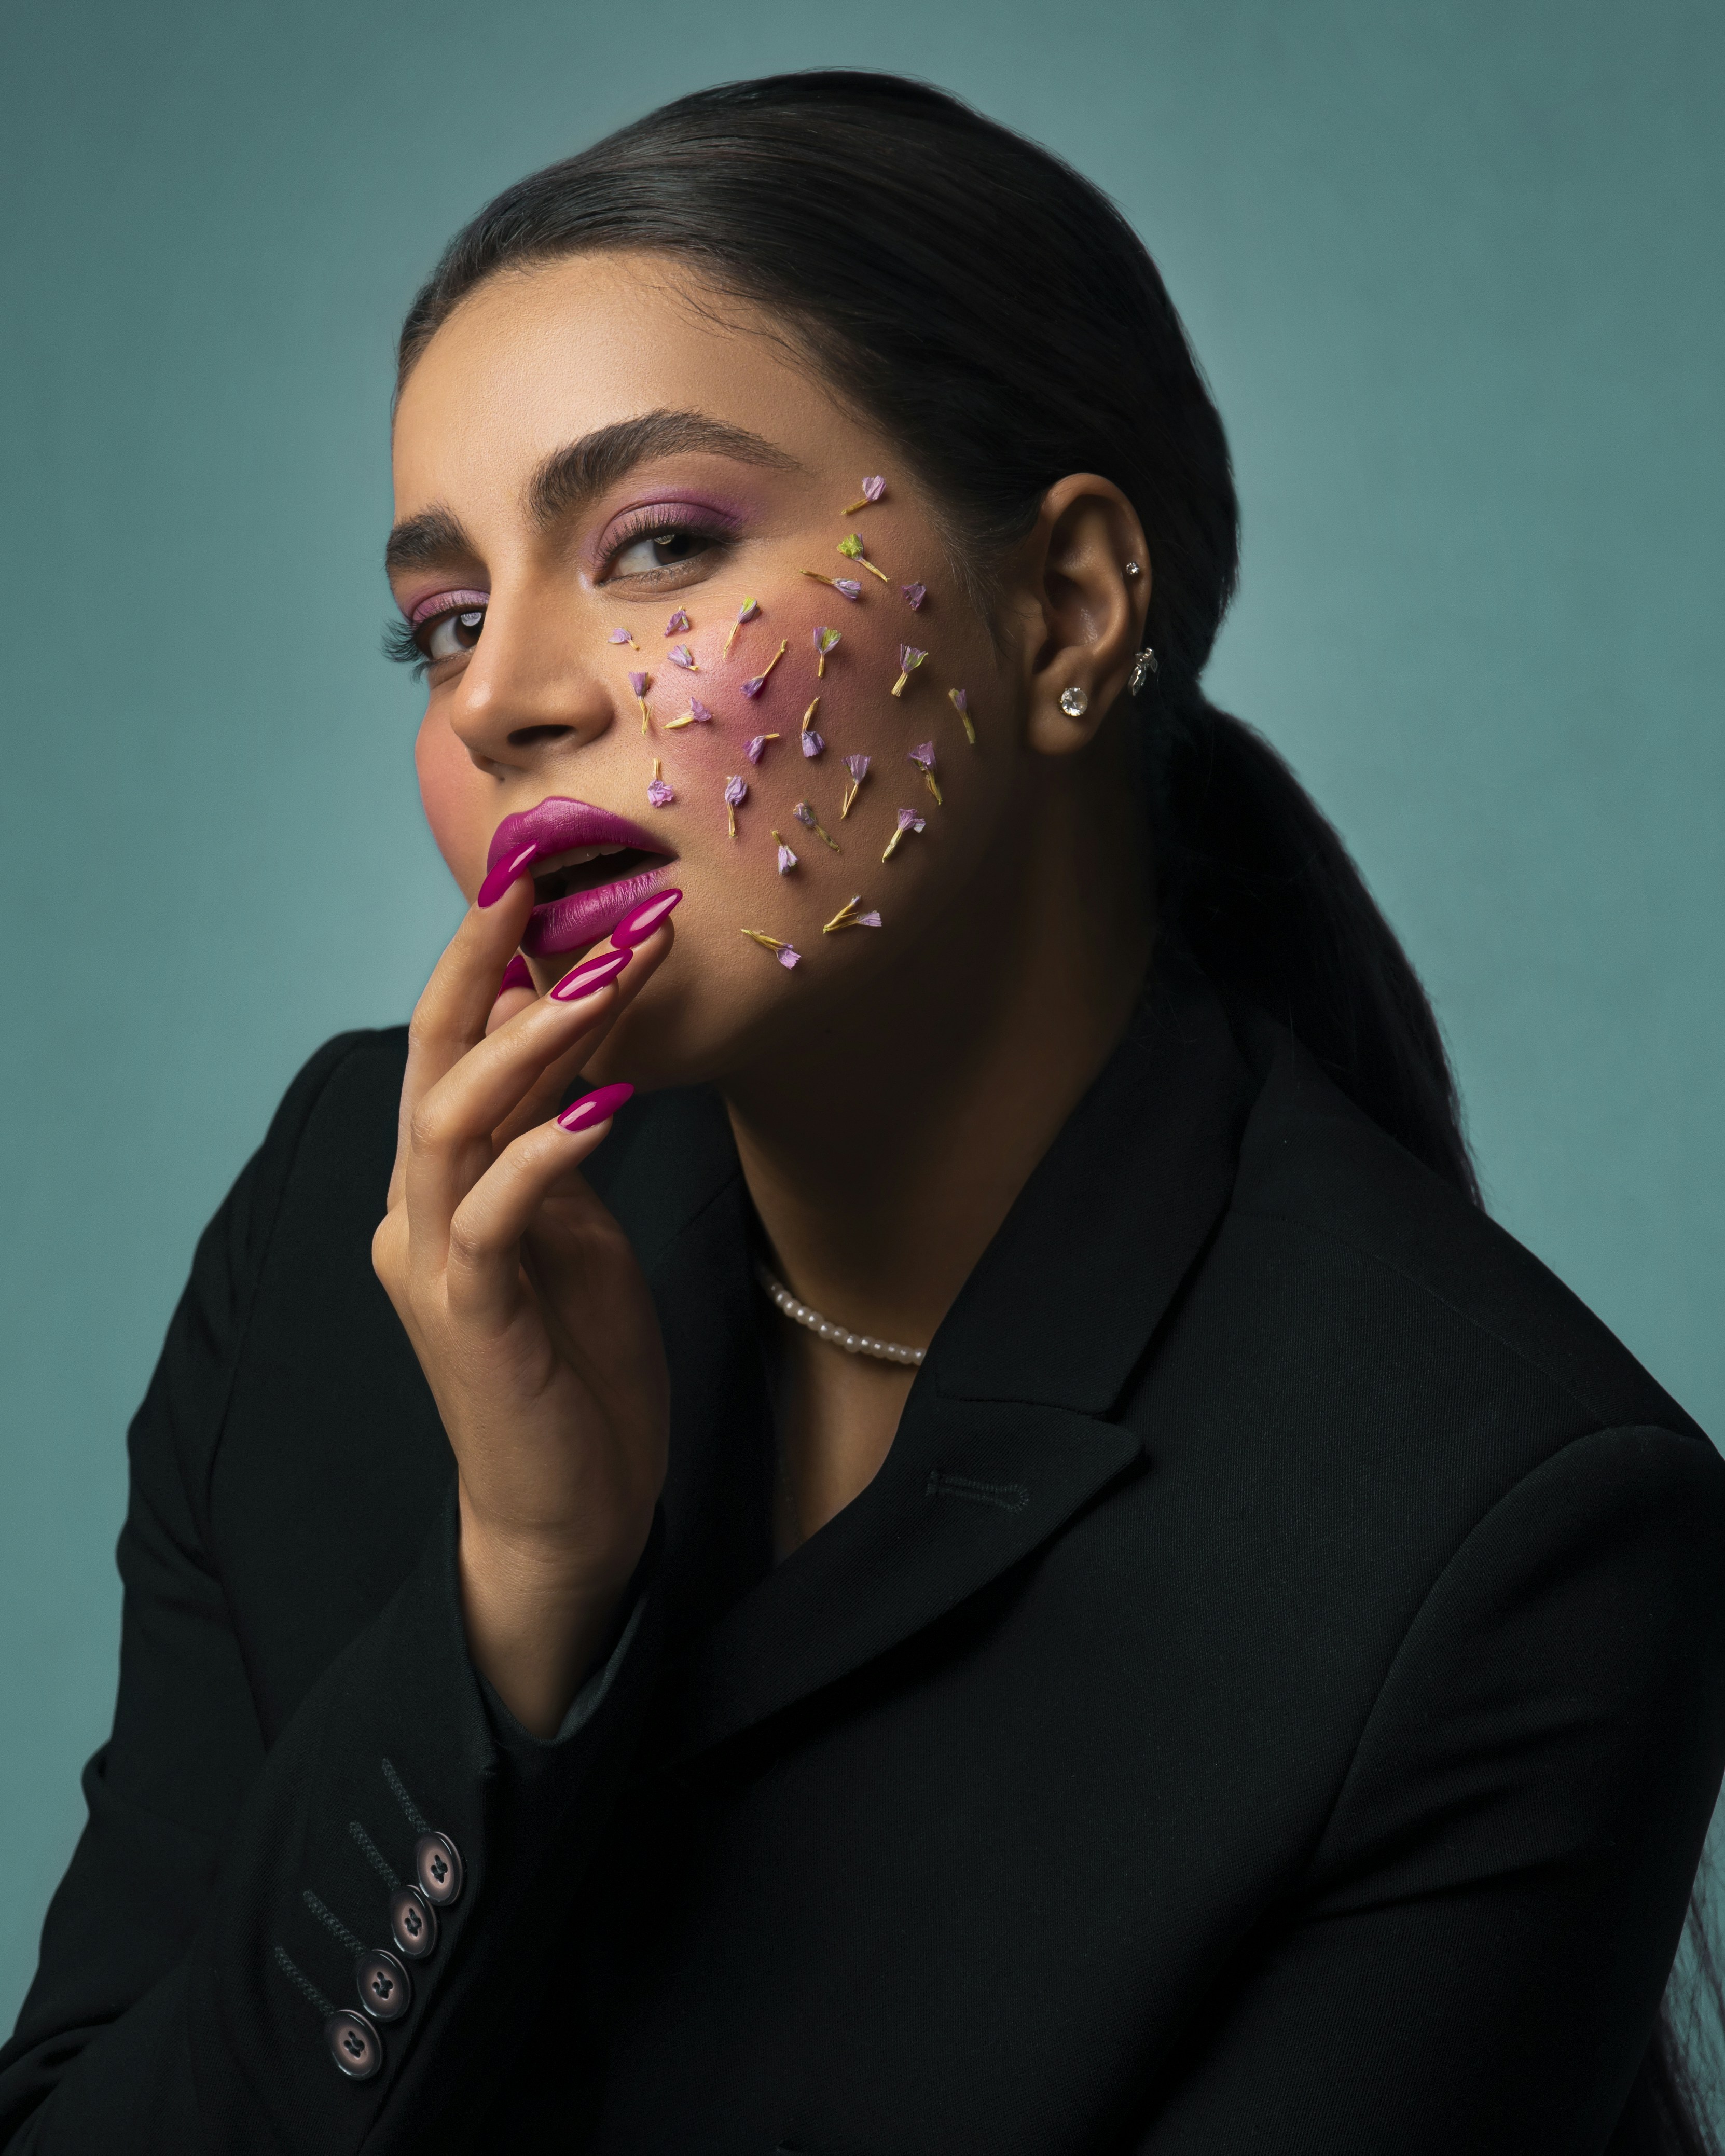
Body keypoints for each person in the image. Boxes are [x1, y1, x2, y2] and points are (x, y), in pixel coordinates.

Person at [3, 69, 1721, 2155]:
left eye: (653, 546)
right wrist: (512, 1609)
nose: (496, 696)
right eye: (443, 619)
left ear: (1068, 608)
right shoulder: (340, 1237)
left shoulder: (1506, 1532)